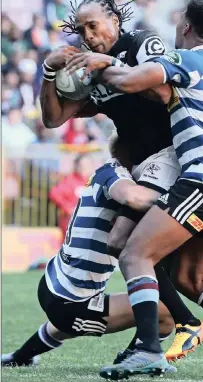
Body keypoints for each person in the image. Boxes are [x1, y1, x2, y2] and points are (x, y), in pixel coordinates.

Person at [71, 0, 203, 379]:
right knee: (190, 277)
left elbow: (128, 80)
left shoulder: (188, 60)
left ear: (186, 27)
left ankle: (149, 350)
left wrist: (102, 62)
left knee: (134, 255)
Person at [40, 0, 203, 361]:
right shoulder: (92, 72)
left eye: (93, 26)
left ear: (115, 21)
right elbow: (54, 119)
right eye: (82, 30)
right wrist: (48, 72)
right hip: (144, 168)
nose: (88, 35)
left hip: (172, 159)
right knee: (173, 268)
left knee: (126, 245)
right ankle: (172, 336)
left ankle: (178, 328)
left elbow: (163, 91)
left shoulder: (141, 43)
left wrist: (110, 63)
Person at [1, 136, 176, 374]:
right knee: (166, 315)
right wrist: (180, 201)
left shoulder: (103, 174)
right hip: (71, 302)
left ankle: (19, 357)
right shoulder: (115, 174)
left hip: (56, 286)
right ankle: (138, 357)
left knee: (71, 320)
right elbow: (133, 197)